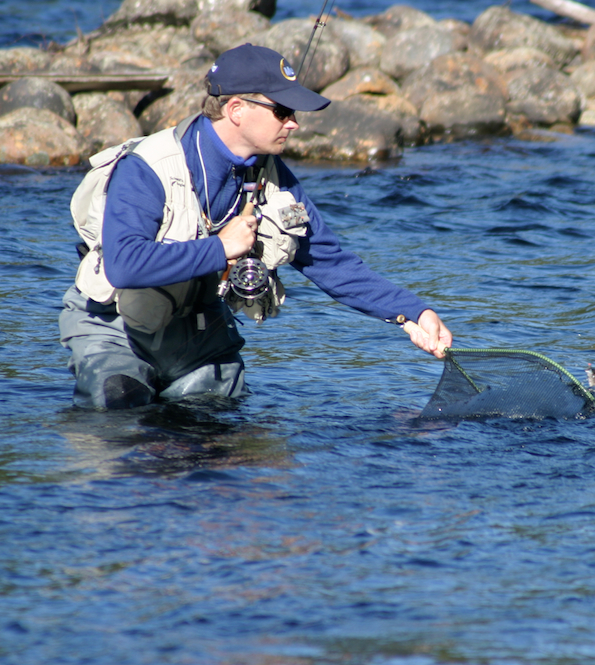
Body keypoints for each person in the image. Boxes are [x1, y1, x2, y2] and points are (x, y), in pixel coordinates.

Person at [59, 44, 451, 410]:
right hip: (114, 325)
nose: (294, 123)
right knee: (118, 406)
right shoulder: (147, 168)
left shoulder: (274, 177)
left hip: (196, 330)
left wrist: (414, 312)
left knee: (217, 420)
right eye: (282, 111)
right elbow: (124, 265)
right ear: (236, 110)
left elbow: (331, 264)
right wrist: (220, 248)